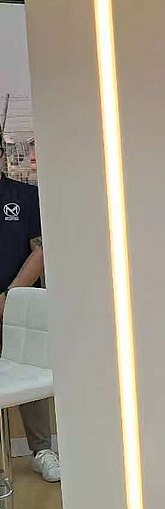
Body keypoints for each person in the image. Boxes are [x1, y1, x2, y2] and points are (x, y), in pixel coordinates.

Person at [0, 143, 60, 483]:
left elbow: (41, 251)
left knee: (28, 372)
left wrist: (10, 297)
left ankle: (41, 450)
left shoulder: (25, 197)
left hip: (20, 303)